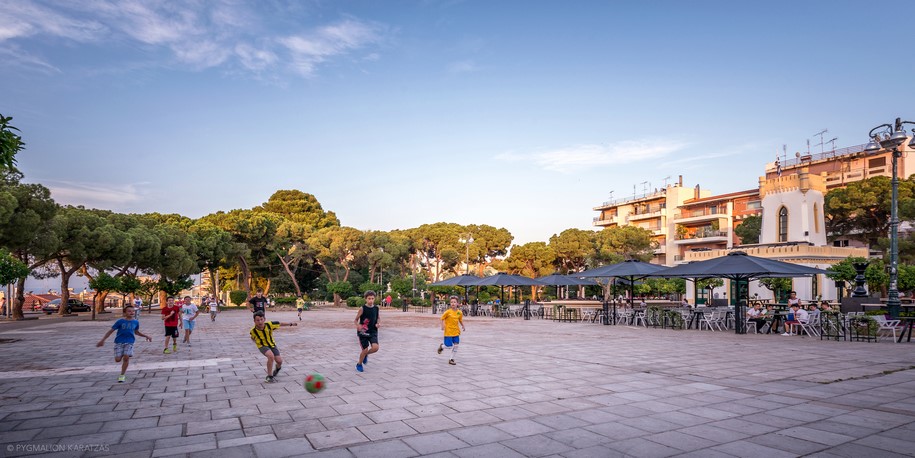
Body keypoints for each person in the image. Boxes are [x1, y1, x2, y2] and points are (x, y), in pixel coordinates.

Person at [97, 304, 152, 383]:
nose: (131, 313)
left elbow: (136, 332)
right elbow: (111, 331)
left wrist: (146, 336)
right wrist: (103, 340)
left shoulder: (136, 322)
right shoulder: (120, 321)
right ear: (124, 313)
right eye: (129, 311)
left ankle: (122, 375)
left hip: (129, 342)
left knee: (126, 357)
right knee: (118, 360)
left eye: (133, 311)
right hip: (119, 342)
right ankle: (122, 354)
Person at [250, 311, 297, 383]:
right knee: (271, 356)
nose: (260, 322)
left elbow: (280, 323)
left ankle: (278, 368)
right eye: (257, 320)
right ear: (254, 321)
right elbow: (252, 337)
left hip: (272, 345)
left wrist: (291, 324)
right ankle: (269, 376)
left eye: (261, 319)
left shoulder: (269, 325)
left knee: (279, 361)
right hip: (262, 346)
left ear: (264, 319)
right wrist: (256, 342)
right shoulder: (253, 331)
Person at [354, 290, 380, 372]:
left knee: (375, 348)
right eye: (369, 298)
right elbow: (355, 320)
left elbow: (378, 318)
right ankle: (359, 364)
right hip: (363, 332)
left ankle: (366, 355)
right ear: (365, 299)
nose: (371, 300)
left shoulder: (376, 308)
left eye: (372, 298)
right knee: (364, 350)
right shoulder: (362, 308)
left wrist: (378, 324)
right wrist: (358, 325)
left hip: (373, 331)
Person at [437, 296, 466, 365]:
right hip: (448, 331)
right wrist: (442, 325)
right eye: (451, 302)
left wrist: (463, 325)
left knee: (456, 345)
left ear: (457, 303)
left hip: (456, 331)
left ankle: (451, 359)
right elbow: (442, 318)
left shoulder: (459, 312)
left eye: (454, 302)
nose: (453, 303)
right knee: (449, 346)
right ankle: (442, 346)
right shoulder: (448, 312)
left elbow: (460, 320)